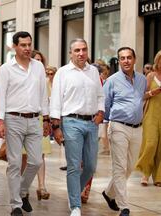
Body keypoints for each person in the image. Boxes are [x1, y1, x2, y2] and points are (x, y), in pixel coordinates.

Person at [0, 31, 49, 216]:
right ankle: (16, 204)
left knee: (35, 161)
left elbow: (43, 95)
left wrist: (47, 119)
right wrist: (0, 122)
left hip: (35, 119)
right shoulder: (6, 69)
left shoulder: (39, 67)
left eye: (29, 45)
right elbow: (0, 96)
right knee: (15, 163)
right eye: (23, 45)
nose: (27, 48)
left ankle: (22, 191)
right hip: (13, 119)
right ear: (15, 47)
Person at [50, 38, 104, 216]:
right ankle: (75, 205)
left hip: (92, 123)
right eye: (77, 50)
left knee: (90, 166)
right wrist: (56, 127)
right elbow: (56, 101)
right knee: (74, 166)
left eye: (84, 50)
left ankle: (73, 193)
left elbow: (100, 95)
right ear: (70, 53)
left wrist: (101, 112)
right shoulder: (63, 73)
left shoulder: (94, 72)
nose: (81, 53)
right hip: (71, 122)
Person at [101, 47, 146, 216]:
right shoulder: (112, 81)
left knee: (130, 167)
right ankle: (124, 207)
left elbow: (140, 98)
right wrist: (105, 129)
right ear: (119, 61)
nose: (126, 61)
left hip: (138, 128)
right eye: (122, 58)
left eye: (128, 57)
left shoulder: (142, 79)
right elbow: (105, 105)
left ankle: (108, 193)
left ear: (134, 59)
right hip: (118, 126)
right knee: (119, 167)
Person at [19, 50, 52, 201]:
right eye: (35, 59)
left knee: (40, 156)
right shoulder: (25, 78)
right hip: (25, 118)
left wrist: (48, 120)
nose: (38, 62)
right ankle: (23, 187)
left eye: (41, 60)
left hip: (40, 118)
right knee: (24, 157)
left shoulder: (46, 81)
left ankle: (41, 186)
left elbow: (48, 100)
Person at [136, 50, 161, 187]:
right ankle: (145, 173)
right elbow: (141, 95)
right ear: (157, 61)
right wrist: (153, 92)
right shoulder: (151, 76)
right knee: (150, 144)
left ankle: (158, 176)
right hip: (151, 114)